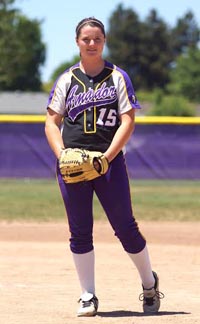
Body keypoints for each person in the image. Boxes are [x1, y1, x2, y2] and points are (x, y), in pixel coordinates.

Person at [45, 17, 164, 317]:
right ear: (77, 42)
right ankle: (87, 295)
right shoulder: (66, 79)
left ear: (104, 40)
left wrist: (107, 158)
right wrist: (61, 154)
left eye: (97, 38)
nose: (92, 43)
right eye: (86, 39)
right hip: (72, 165)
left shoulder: (117, 77)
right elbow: (51, 121)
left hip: (108, 163)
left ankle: (149, 284)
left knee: (125, 227)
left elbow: (128, 120)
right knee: (79, 231)